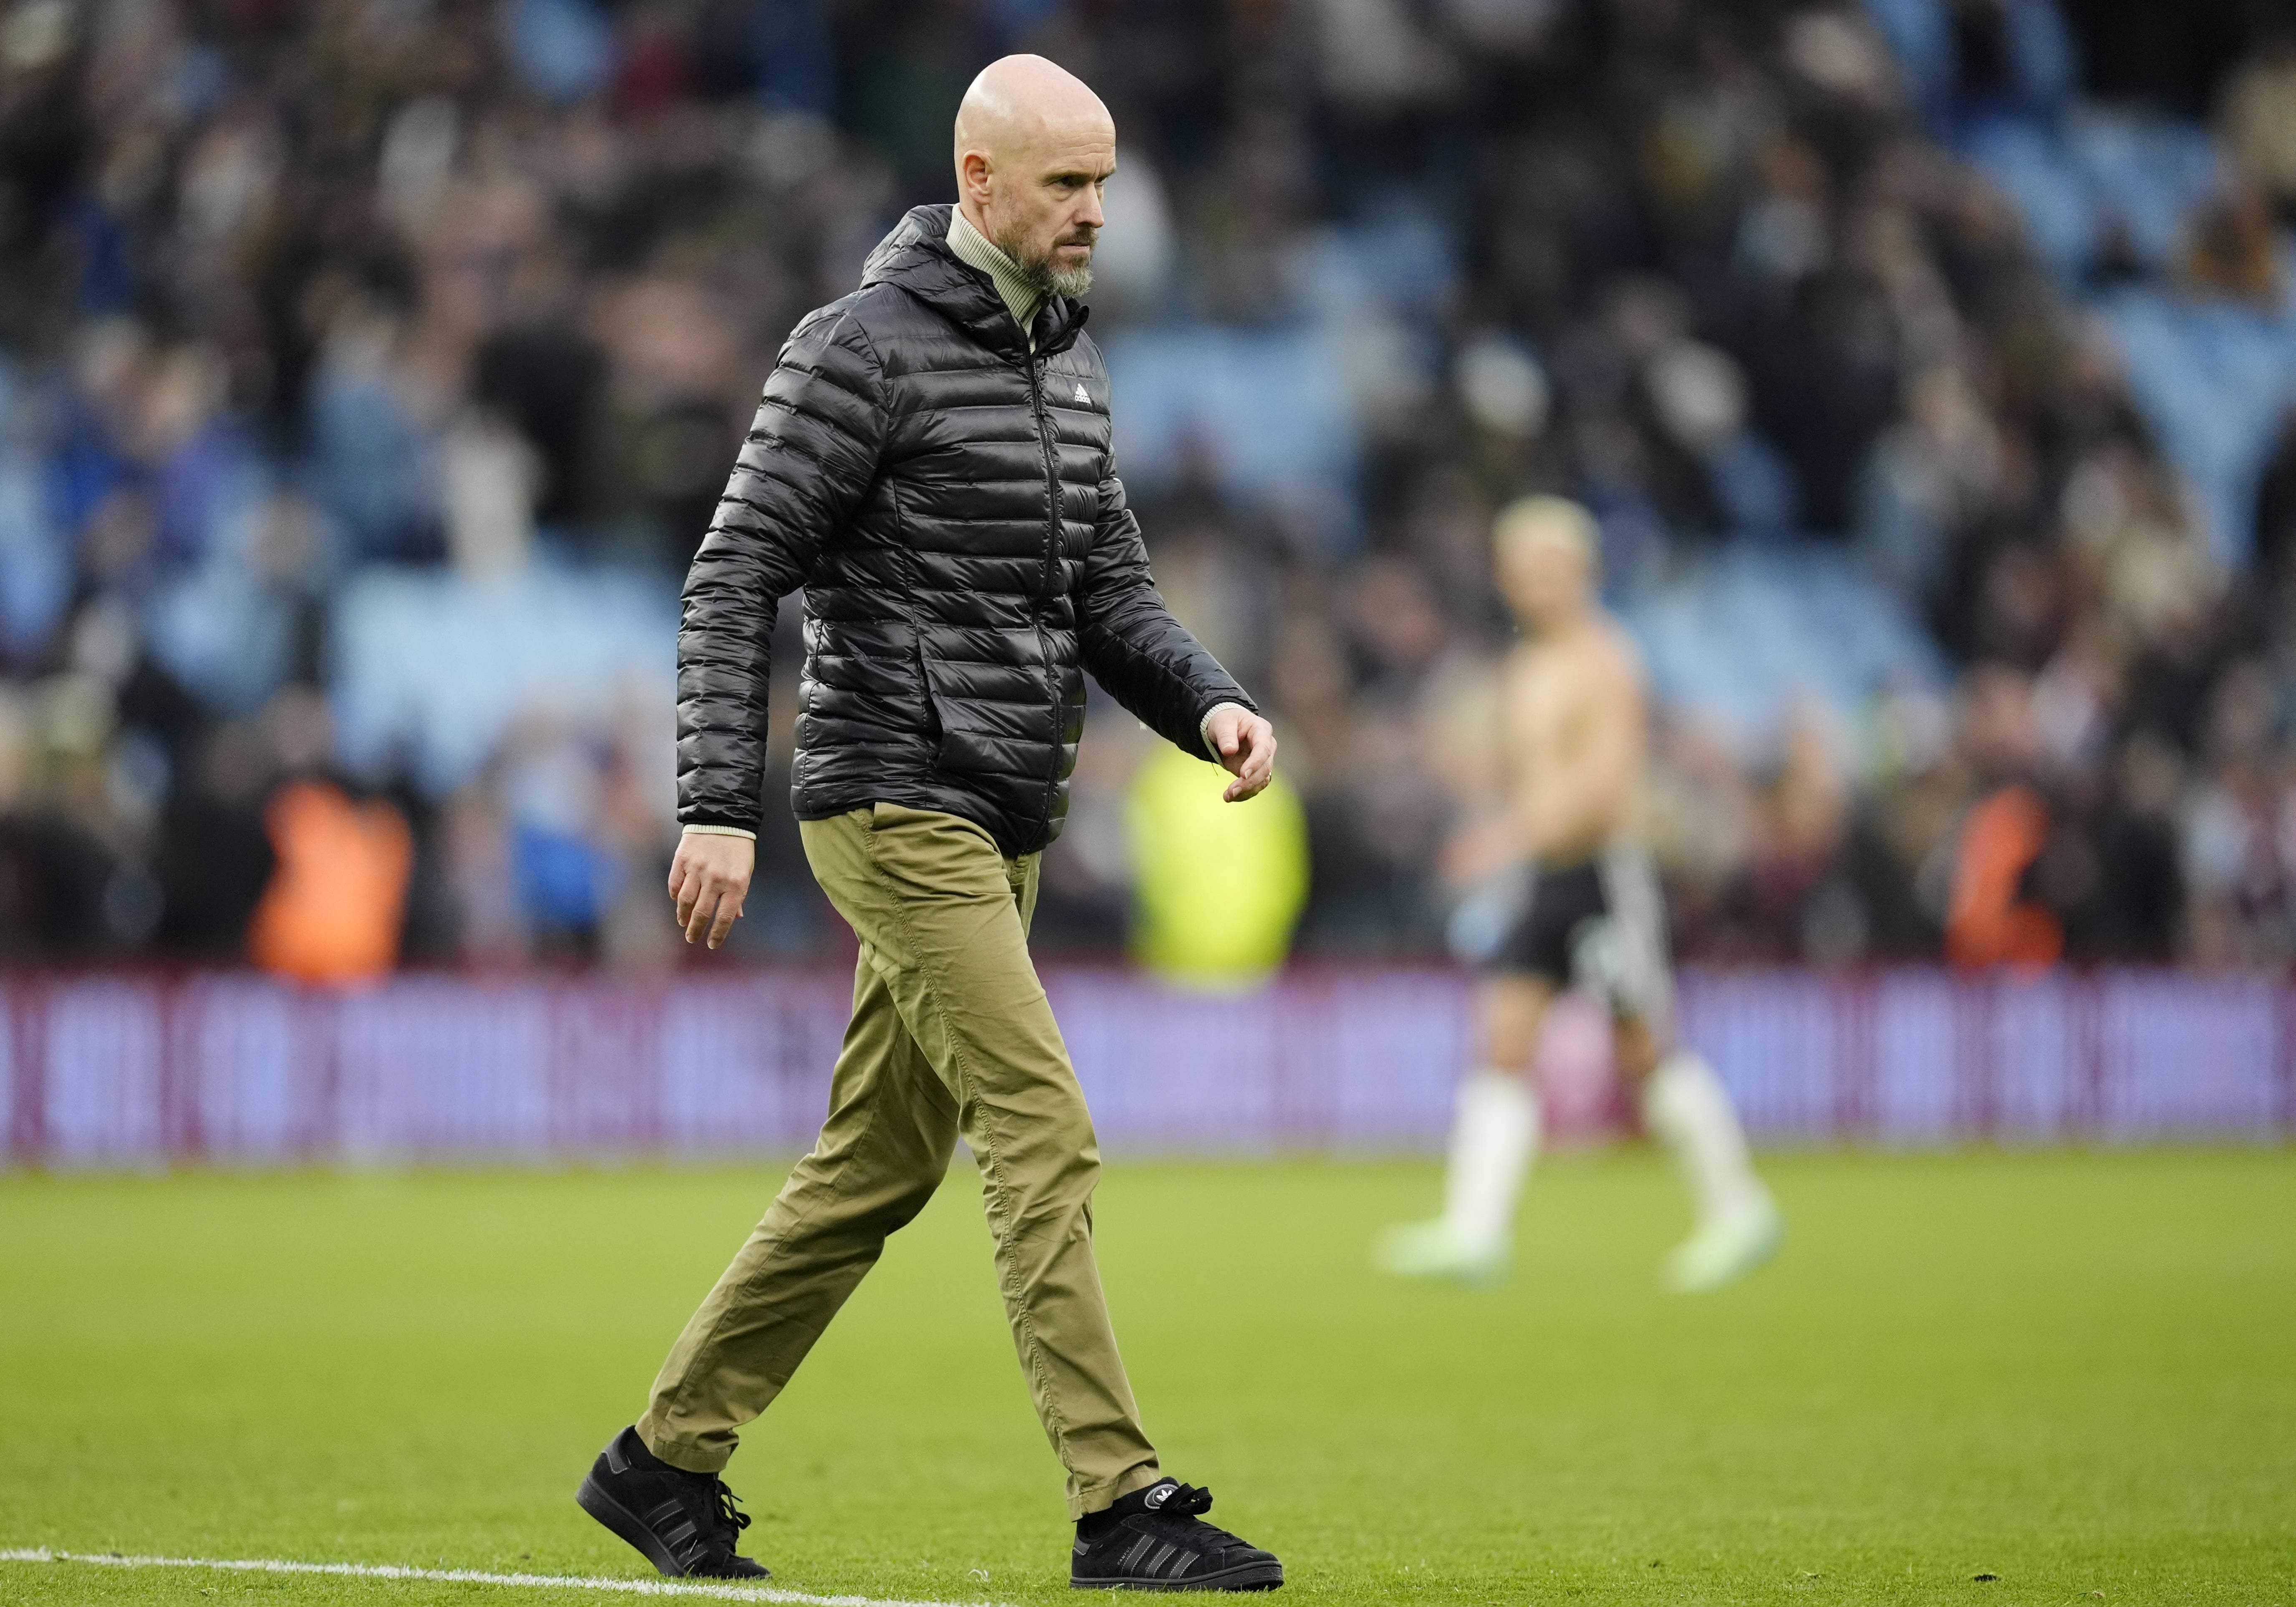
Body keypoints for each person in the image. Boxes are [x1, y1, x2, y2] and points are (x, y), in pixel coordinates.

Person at [574, 55, 1286, 1594]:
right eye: (1067, 184)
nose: (1098, 210)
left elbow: (1110, 591)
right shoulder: (860, 350)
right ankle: (1120, 1503)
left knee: (875, 1164)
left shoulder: (1067, 363)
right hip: (894, 795)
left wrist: (1211, 701)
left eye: (1104, 180)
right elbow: (731, 567)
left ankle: (660, 1459)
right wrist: (713, 803)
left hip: (1002, 806)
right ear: (977, 182)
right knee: (1042, 1122)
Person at [1376, 496, 1782, 1293]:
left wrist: (1501, 838)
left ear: (1582, 571)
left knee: (1643, 1051)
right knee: (1502, 1042)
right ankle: (1474, 1231)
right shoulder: (1529, 665)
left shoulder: (1605, 661)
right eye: (1521, 566)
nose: (1534, 582)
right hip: (1550, 879)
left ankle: (1740, 1210)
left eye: (1549, 565)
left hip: (1602, 875)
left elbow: (1599, 792)